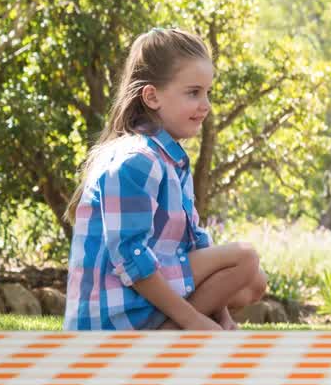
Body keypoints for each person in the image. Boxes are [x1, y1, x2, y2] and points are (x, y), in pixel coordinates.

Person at [63, 27, 267, 331]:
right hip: (112, 316)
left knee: (253, 281)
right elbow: (131, 259)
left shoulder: (170, 159)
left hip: (145, 293)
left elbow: (194, 242)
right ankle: (172, 332)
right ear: (152, 96)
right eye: (193, 93)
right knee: (244, 258)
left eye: (207, 93)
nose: (206, 105)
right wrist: (194, 320)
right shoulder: (135, 161)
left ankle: (174, 329)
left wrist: (222, 317)